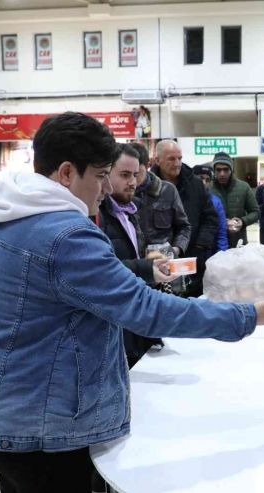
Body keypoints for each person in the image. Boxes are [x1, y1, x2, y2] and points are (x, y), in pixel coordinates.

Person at [0, 112, 264, 492]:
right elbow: (147, 310)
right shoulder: (67, 237)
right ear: (67, 172)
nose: (106, 188)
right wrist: (249, 315)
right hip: (45, 424)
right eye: (101, 174)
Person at [94, 144, 178, 367]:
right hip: (113, 327)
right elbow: (102, 270)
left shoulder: (131, 211)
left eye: (134, 175)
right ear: (104, 175)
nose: (132, 182)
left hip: (135, 319)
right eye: (123, 175)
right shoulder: (96, 216)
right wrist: (146, 268)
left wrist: (152, 262)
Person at [149, 140, 219, 297]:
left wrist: (200, 246)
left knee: (192, 304)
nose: (177, 163)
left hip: (191, 257)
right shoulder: (148, 186)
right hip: (158, 261)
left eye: (179, 158)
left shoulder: (195, 183)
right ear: (157, 160)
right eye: (171, 159)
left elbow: (210, 218)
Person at [130, 142, 191, 264]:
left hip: (164, 264)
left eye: (136, 173)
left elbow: (184, 227)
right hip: (132, 266)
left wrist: (176, 249)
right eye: (125, 174)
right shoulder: (118, 193)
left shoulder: (168, 190)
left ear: (147, 166)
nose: (131, 180)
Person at [209, 152, 261, 247]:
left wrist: (242, 221)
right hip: (214, 244)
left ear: (231, 170)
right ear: (214, 170)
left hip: (238, 244)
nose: (222, 174)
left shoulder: (244, 187)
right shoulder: (208, 188)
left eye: (226, 170)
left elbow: (256, 212)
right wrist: (220, 222)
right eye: (218, 170)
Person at [193, 164, 229, 254]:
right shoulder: (182, 198)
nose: (204, 183)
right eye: (201, 178)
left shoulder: (215, 202)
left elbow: (221, 232)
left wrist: (221, 255)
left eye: (207, 180)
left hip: (208, 253)